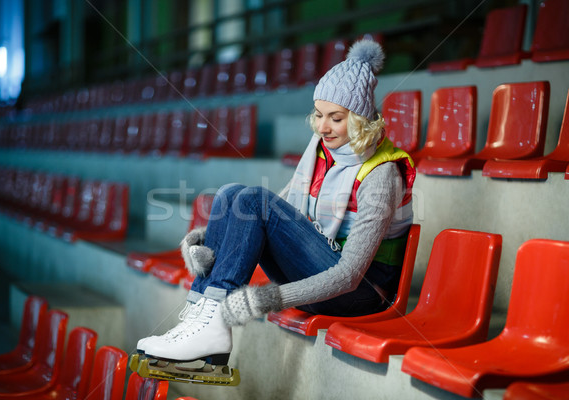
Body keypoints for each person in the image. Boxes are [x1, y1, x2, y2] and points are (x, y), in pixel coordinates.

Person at [137, 39, 415, 365]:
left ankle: (211, 327)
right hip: (321, 268)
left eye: (336, 118)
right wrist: (212, 238)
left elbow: (350, 276)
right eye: (319, 114)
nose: (323, 126)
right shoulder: (324, 149)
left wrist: (271, 298)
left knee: (254, 200)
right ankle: (202, 318)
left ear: (360, 120)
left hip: (359, 294)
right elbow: (282, 210)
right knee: (231, 193)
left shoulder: (382, 175)